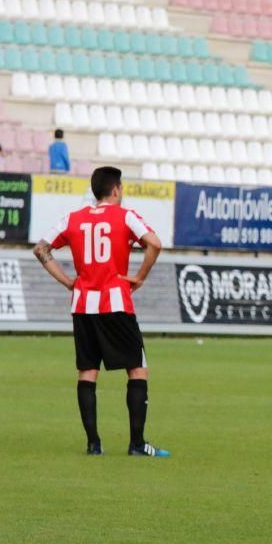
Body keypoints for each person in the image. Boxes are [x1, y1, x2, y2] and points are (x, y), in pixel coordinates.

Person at [33, 166, 170, 457]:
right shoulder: (125, 216)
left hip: (83, 305)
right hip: (116, 303)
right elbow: (154, 243)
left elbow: (41, 249)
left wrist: (68, 281)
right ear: (116, 189)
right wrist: (141, 276)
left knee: (87, 371)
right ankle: (136, 444)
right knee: (137, 369)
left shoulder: (73, 218)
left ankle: (93, 444)